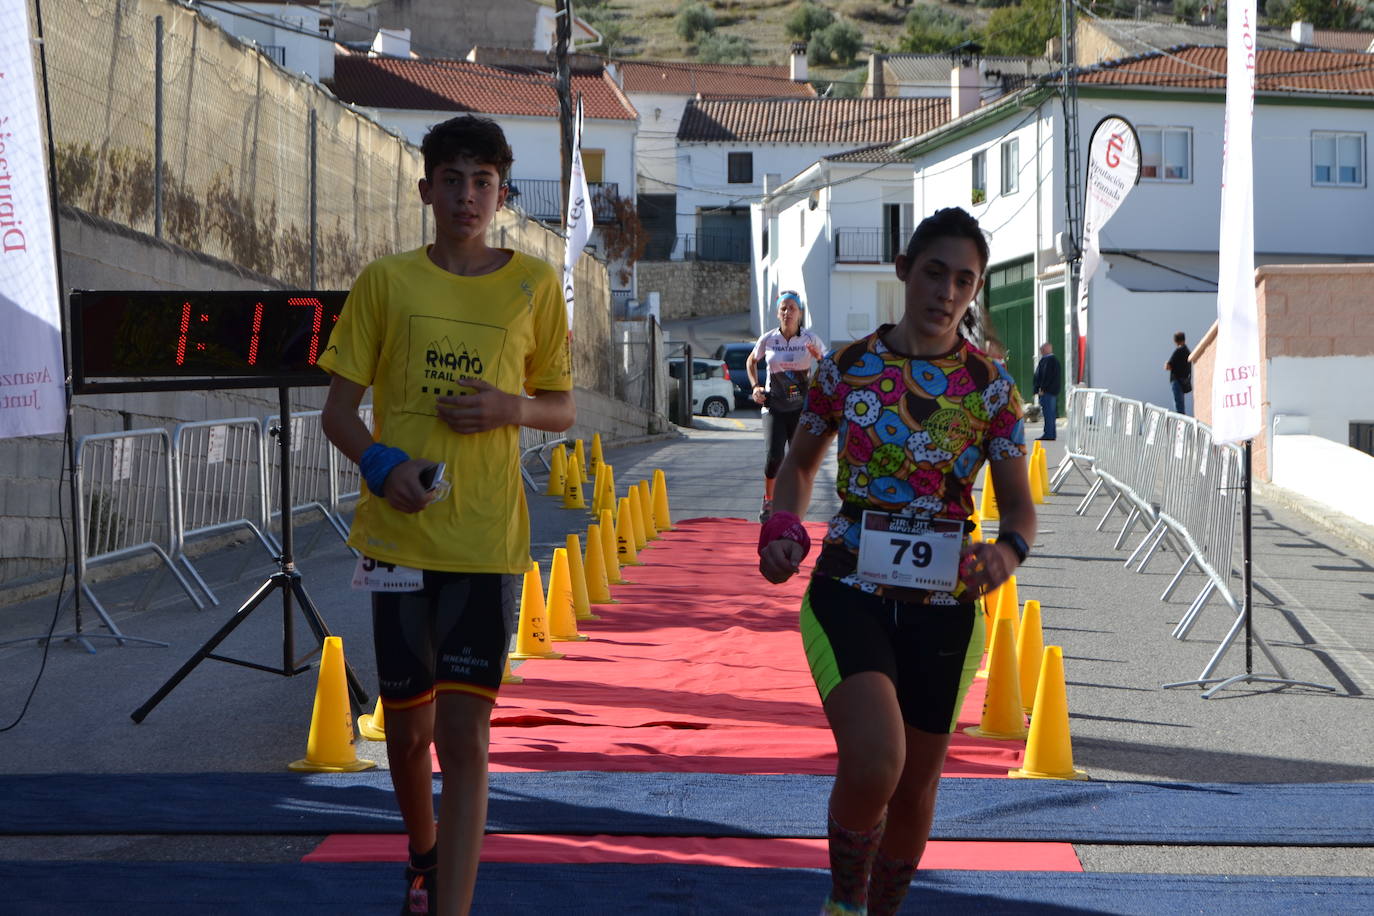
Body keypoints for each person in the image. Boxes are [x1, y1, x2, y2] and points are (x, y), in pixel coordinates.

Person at [319, 115, 574, 916]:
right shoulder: (386, 282)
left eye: (483, 182)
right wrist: (383, 466)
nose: (467, 196)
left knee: (464, 739)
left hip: (486, 542)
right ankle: (422, 854)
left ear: (503, 194)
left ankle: (453, 906)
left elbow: (563, 409)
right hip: (396, 538)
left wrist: (510, 407)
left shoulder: (535, 285)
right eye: (453, 180)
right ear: (426, 189)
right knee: (406, 736)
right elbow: (337, 412)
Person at [757, 207, 1035, 916]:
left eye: (964, 281)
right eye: (935, 272)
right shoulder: (848, 368)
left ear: (976, 292)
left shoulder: (993, 390)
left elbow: (1019, 509)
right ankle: (844, 903)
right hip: (848, 587)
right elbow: (797, 467)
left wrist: (1006, 552)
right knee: (878, 759)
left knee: (915, 790)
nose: (947, 292)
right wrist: (782, 524)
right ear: (905, 270)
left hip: (944, 608)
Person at [746, 290, 825, 522]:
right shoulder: (768, 339)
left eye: (792, 308)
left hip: (801, 408)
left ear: (800, 313)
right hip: (773, 407)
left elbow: (829, 364)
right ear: (777, 312)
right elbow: (751, 360)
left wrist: (819, 357)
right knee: (774, 457)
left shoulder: (810, 339)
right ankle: (769, 501)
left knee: (799, 461)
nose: (787, 312)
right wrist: (755, 387)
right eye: (783, 308)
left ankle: (793, 505)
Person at [1033, 341, 1062, 441]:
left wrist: (1042, 389)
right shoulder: (1050, 360)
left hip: (1047, 392)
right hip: (1050, 391)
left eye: (1042, 350)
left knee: (1048, 413)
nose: (1041, 352)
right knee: (1050, 413)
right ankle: (1050, 433)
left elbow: (1046, 376)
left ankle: (1049, 434)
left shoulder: (1049, 361)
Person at [1165, 331, 1192, 415]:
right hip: (1184, 380)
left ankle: (1180, 424)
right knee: (1181, 404)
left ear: (1175, 341)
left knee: (1178, 406)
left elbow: (1168, 366)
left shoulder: (1178, 351)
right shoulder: (1187, 351)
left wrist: (1166, 364)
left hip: (1176, 380)